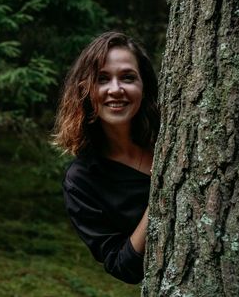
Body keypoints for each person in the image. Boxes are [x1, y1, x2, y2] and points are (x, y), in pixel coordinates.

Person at [53, 31, 160, 284]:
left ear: (143, 85)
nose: (115, 89)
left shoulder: (175, 133)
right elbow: (122, 265)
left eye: (127, 77)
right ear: (85, 90)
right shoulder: (81, 180)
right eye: (102, 79)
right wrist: (160, 197)